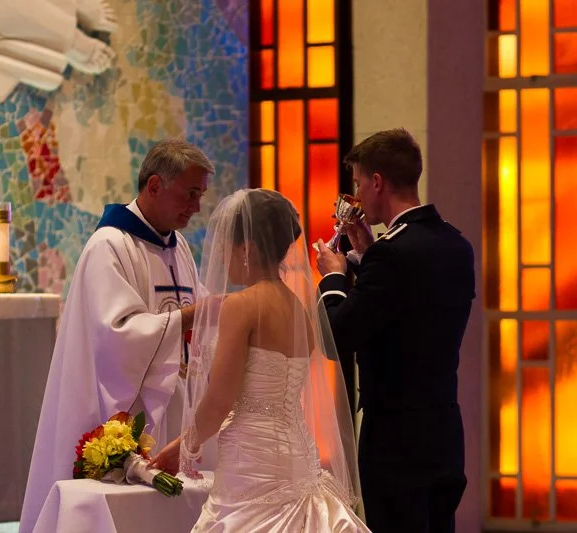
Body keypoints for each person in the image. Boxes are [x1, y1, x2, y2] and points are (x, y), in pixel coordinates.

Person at [20, 138, 214, 533]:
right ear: (155, 186)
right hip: (117, 415)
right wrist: (196, 315)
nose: (196, 207)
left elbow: (200, 316)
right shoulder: (109, 245)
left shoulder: (179, 249)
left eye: (201, 196)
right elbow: (117, 335)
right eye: (190, 194)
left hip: (173, 408)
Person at [150, 188, 369, 532]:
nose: (221, 257)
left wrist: (184, 447)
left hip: (252, 462)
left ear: (247, 249)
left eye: (226, 246)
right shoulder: (297, 307)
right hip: (296, 455)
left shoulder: (242, 305)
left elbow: (220, 400)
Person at [315, 128, 476, 533]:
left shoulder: (393, 254)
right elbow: (407, 304)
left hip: (395, 438)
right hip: (443, 431)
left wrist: (333, 279)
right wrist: (367, 256)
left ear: (377, 182)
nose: (357, 193)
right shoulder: (455, 244)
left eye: (357, 182)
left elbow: (339, 336)